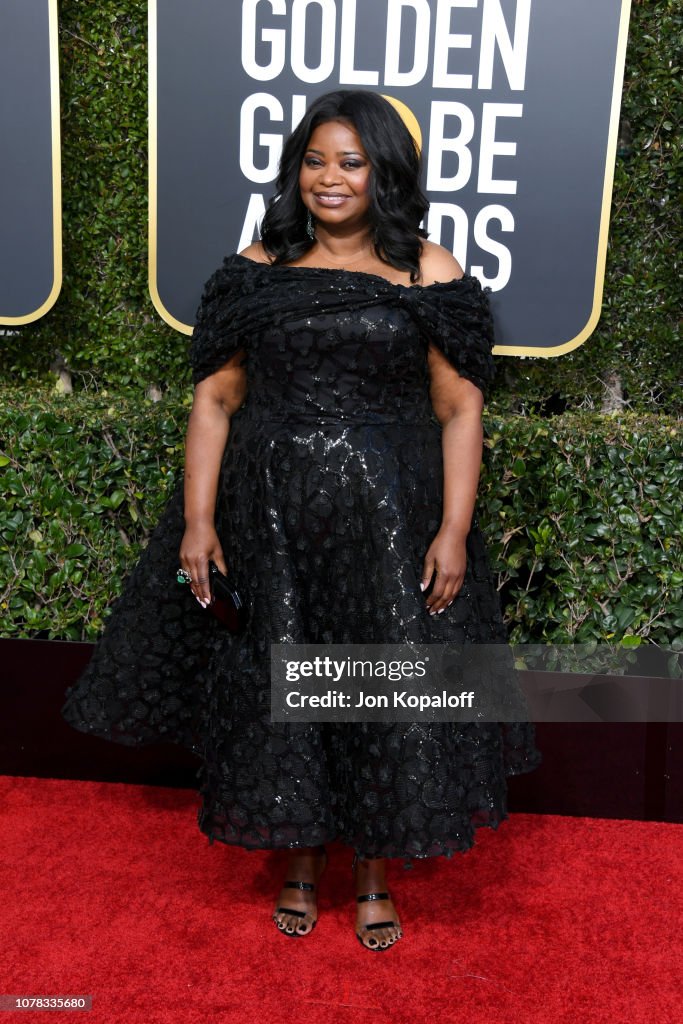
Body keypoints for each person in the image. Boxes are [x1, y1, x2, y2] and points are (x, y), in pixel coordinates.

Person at [62, 89, 540, 952]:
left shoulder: (430, 272)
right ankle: (297, 860)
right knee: (285, 687)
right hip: (269, 523)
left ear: (384, 172)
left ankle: (374, 872)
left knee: (379, 690)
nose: (328, 178)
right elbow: (214, 398)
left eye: (350, 162)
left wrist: (455, 530)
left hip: (390, 523)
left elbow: (459, 408)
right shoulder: (256, 267)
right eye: (314, 160)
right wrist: (197, 522)